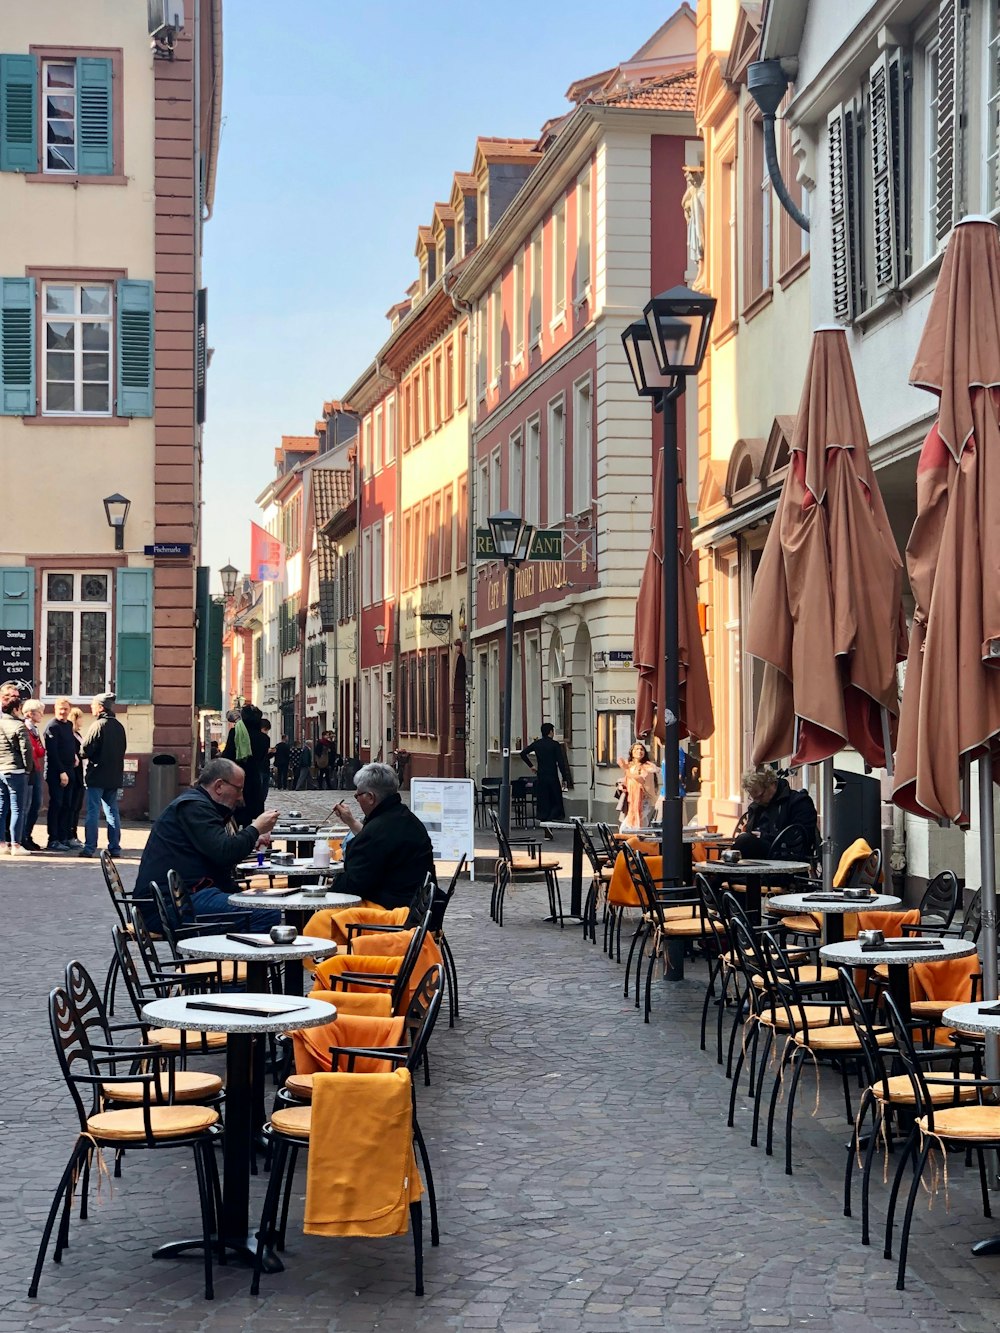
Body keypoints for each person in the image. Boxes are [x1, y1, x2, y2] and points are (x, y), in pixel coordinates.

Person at [134, 757, 281, 931]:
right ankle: (237, 956)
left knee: (262, 904)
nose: (241, 797)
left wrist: (251, 838)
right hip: (168, 906)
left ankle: (237, 952)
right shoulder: (194, 807)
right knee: (266, 912)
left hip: (184, 897)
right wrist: (255, 828)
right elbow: (225, 852)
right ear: (219, 786)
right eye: (238, 789)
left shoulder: (199, 805)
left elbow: (218, 850)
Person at [305, 762, 434, 946]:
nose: (357, 799)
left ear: (370, 797)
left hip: (395, 911)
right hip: (413, 902)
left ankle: (323, 965)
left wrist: (330, 889)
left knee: (321, 920)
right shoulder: (403, 817)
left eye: (358, 795)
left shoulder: (378, 830)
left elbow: (354, 886)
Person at [734, 767, 818, 861]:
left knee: (744, 841)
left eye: (761, 795)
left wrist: (763, 836)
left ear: (773, 784)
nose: (757, 801)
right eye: (753, 798)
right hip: (758, 859)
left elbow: (800, 839)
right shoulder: (756, 807)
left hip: (787, 857)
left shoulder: (798, 802)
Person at [79, 693, 127, 859]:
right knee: (112, 812)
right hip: (114, 776)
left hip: (97, 775)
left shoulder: (98, 725)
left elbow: (85, 750)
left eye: (93, 705)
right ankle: (115, 848)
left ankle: (89, 847)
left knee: (93, 812)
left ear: (100, 707)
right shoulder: (119, 726)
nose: (91, 708)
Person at [222, 703, 269, 826]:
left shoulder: (235, 733)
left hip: (235, 779)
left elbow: (227, 756)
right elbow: (262, 758)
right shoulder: (264, 739)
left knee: (234, 816)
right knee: (251, 819)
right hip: (254, 779)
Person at [0, 692, 34, 855]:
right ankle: (16, 844)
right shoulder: (19, 726)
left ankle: (2, 844)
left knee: (2, 807)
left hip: (1, 769)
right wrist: (28, 768)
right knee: (17, 808)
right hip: (16, 770)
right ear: (16, 709)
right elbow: (26, 750)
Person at [520, 723, 572, 824]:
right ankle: (551, 818)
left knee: (544, 799)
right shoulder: (555, 745)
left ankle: (544, 818)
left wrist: (531, 766)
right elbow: (561, 762)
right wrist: (565, 777)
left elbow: (523, 753)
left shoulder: (537, 744)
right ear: (550, 732)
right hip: (552, 775)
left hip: (541, 775)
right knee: (556, 799)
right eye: (553, 731)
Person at [43, 697, 77, 851]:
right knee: (57, 804)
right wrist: (62, 772)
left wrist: (74, 756)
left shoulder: (68, 725)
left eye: (65, 709)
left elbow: (69, 745)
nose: (63, 712)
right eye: (60, 709)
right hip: (56, 772)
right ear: (55, 709)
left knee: (67, 805)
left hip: (70, 769)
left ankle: (64, 837)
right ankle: (53, 839)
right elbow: (52, 753)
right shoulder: (52, 727)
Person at [20, 699, 46, 851]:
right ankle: (22, 836)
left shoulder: (35, 730)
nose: (42, 714)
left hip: (36, 769)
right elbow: (33, 750)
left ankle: (28, 835)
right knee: (27, 805)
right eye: (39, 712)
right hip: (29, 770)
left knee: (36, 803)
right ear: (30, 713)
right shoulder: (25, 728)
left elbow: (41, 751)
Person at [616, 741, 658, 832]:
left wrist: (626, 770)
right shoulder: (630, 765)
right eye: (637, 749)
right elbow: (626, 779)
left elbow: (642, 779)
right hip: (630, 799)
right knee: (640, 823)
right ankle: (642, 841)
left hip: (643, 799)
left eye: (641, 749)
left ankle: (636, 841)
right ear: (632, 752)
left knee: (627, 827)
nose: (639, 751)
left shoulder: (647, 765)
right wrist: (621, 786)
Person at [67, 707, 86, 848]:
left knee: (77, 806)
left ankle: (74, 833)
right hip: (75, 773)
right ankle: (70, 834)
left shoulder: (78, 734)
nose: (82, 720)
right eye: (80, 717)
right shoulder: (71, 736)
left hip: (81, 774)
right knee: (72, 806)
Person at [259, 718, 273, 803]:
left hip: (265, 768)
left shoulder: (266, 738)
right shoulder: (258, 738)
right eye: (265, 730)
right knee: (260, 791)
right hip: (259, 768)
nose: (267, 732)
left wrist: (271, 753)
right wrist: (267, 751)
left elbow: (265, 756)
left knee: (264, 791)